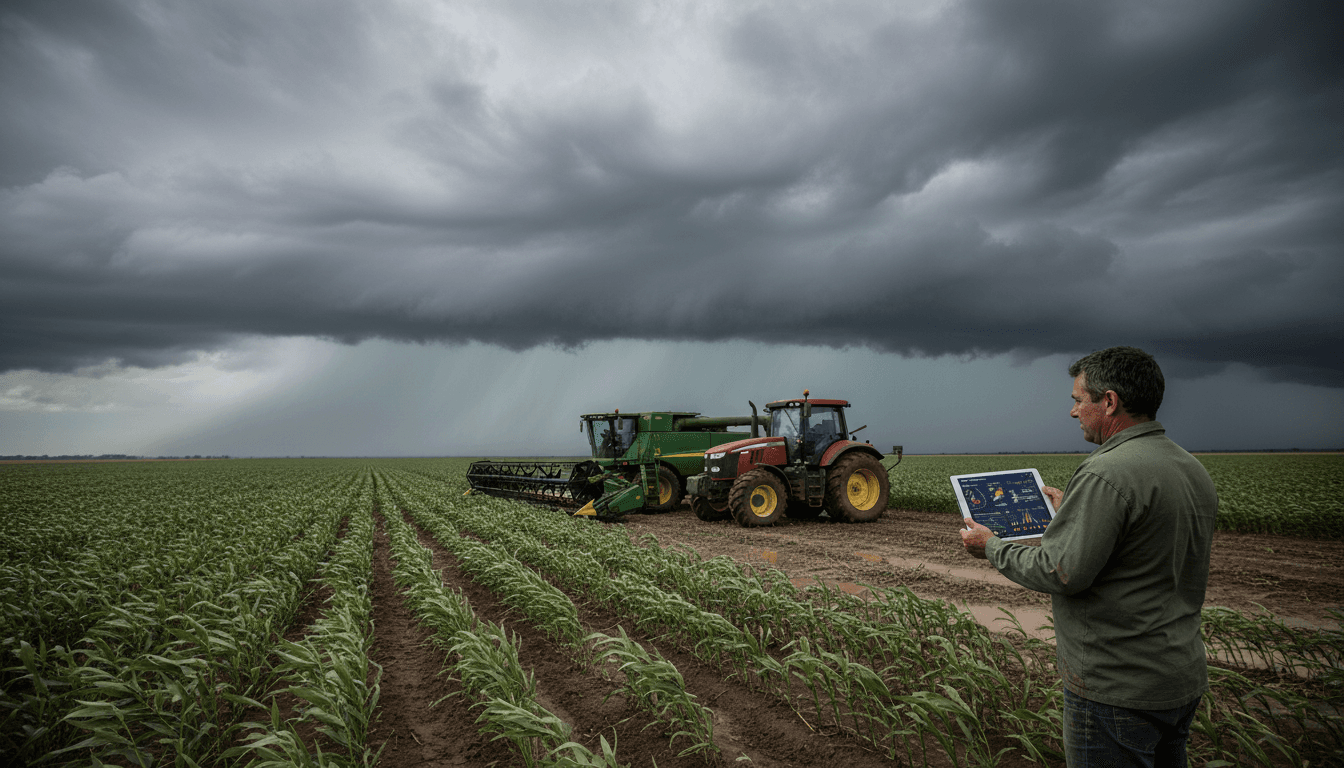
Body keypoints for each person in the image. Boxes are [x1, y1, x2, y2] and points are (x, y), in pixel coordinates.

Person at [960, 346, 1218, 767]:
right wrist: (1074, 514)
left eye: (1079, 400)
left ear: (1110, 401)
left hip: (1117, 686)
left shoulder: (1107, 471)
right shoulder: (1190, 467)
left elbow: (1060, 571)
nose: (1073, 412)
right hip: (1178, 675)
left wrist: (990, 546)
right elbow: (1143, 545)